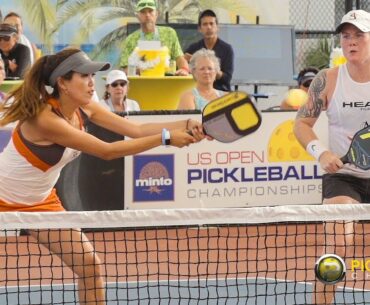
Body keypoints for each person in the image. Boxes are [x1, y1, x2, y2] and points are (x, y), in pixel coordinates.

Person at [0, 47, 205, 304]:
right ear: (63, 83)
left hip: (40, 203)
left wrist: (184, 123)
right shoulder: (46, 119)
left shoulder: (85, 108)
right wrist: (166, 138)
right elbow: (107, 151)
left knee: (89, 266)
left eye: (92, 76)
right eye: (84, 76)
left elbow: (135, 130)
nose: (91, 82)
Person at [293, 10, 370, 305]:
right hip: (343, 176)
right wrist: (320, 152)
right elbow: (301, 124)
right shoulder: (328, 80)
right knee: (336, 243)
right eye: (346, 36)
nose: (351, 41)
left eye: (359, 35)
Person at [119, 0, 189, 76]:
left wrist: (184, 69)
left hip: (166, 82)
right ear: (137, 16)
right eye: (143, 12)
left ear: (156, 14)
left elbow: (179, 57)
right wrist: (141, 68)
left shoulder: (169, 33)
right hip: (141, 84)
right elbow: (125, 69)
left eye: (150, 11)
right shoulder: (131, 39)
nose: (147, 15)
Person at [184, 9, 234, 91]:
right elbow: (183, 64)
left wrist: (205, 65)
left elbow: (227, 78)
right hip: (199, 92)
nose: (209, 27)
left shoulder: (227, 49)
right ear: (199, 28)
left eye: (211, 24)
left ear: (217, 27)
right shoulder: (193, 48)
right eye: (205, 24)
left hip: (220, 92)